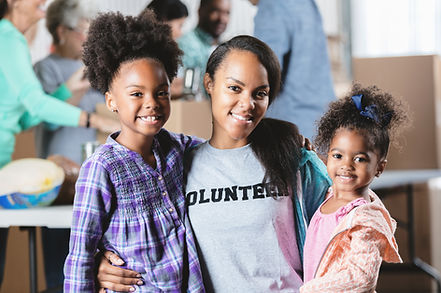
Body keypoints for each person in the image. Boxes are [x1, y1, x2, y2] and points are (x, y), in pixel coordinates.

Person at [95, 35, 332, 292]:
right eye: (234, 88)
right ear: (209, 83)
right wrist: (102, 260)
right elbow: (143, 232)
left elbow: (346, 223)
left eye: (260, 93)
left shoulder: (293, 159)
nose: (247, 104)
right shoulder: (178, 165)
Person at [63, 11, 205, 292]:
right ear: (111, 101)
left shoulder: (178, 148)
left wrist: (282, 140)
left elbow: (223, 149)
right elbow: (80, 256)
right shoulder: (101, 168)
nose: (152, 103)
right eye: (137, 94)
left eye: (161, 92)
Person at [0, 0, 118, 286]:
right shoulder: (7, 38)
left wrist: (68, 90)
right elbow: (37, 105)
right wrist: (95, 121)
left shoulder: (10, 39)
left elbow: (25, 118)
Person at [300, 84, 406, 292]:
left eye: (359, 159)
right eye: (338, 156)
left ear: (379, 168)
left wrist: (309, 290)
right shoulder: (331, 194)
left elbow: (362, 278)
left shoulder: (365, 221)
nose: (346, 166)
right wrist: (306, 153)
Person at [250, 0, 335, 139]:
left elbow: (263, 74)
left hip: (290, 126)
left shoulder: (272, 5)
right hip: (322, 121)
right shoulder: (306, 4)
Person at [178, 0, 230, 99]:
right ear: (200, 11)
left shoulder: (227, 48)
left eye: (226, 13)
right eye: (215, 11)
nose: (222, 19)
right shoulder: (185, 44)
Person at [142, 0, 189, 98]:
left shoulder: (167, 50)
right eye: (180, 25)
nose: (181, 33)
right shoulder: (144, 53)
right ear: (164, 21)